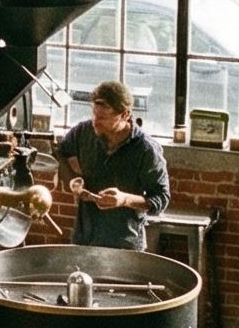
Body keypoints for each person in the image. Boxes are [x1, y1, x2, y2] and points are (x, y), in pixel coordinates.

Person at [54, 80, 170, 252]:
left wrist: (124, 199)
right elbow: (59, 153)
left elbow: (161, 198)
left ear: (124, 115)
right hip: (84, 238)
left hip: (124, 243)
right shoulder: (83, 132)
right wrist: (73, 181)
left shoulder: (146, 150)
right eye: (94, 114)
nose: (95, 122)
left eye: (102, 118)